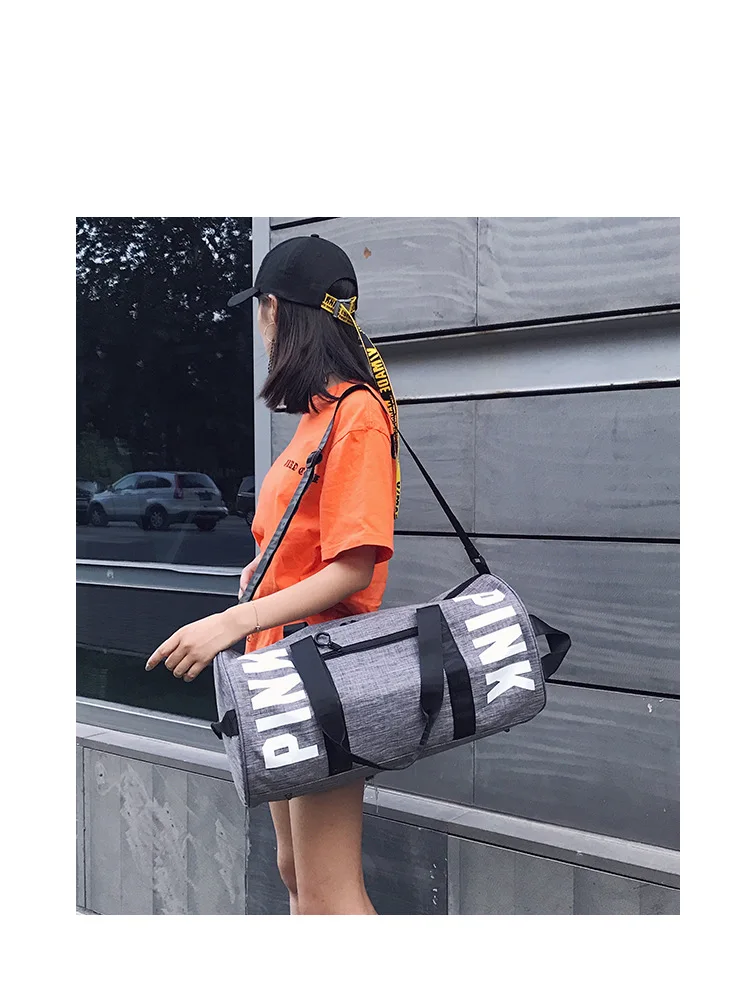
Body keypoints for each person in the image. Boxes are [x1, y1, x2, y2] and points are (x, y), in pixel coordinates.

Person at [146, 235, 398, 916]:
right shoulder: (318, 415)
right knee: (295, 872)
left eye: (259, 310)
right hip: (281, 666)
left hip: (322, 671)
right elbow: (312, 535)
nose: (259, 328)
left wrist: (234, 620)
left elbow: (355, 566)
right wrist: (267, 565)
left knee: (328, 889)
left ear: (278, 310)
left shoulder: (357, 414)